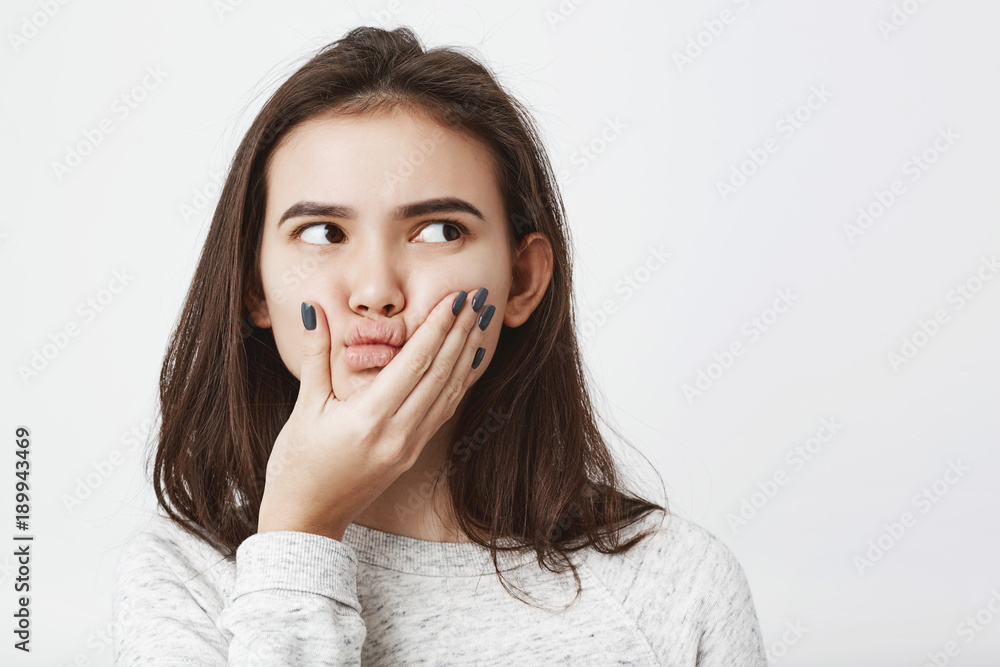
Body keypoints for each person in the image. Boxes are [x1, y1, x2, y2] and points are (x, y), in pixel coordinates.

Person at [112, 25, 767, 666]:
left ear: (523, 280)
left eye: (438, 231)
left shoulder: (678, 585)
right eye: (321, 233)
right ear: (254, 285)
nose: (374, 290)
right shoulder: (185, 574)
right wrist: (298, 532)